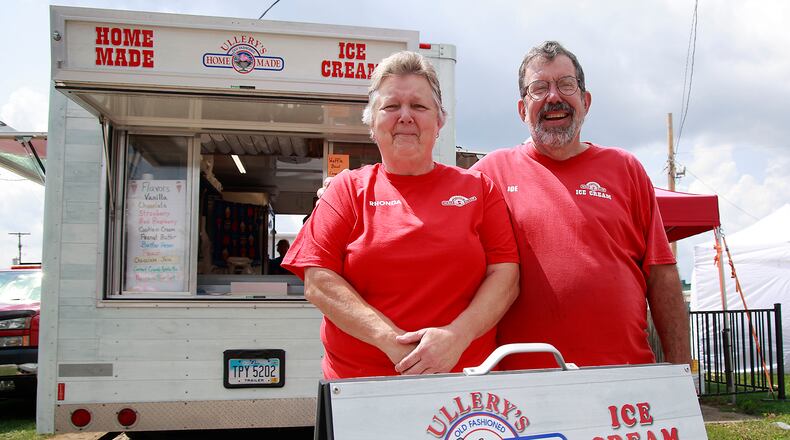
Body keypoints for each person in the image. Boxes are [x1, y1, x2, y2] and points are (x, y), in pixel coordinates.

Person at [282, 51, 519, 379]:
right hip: (361, 388)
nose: (405, 116)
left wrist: (456, 337)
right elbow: (318, 281)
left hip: (464, 389)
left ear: (439, 121)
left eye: (419, 106)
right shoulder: (347, 190)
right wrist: (394, 343)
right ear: (372, 123)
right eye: (391, 107)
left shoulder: (479, 189)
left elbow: (506, 276)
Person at [472, 41, 691, 369]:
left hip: (623, 381)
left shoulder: (625, 168)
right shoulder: (489, 174)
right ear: (522, 110)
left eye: (566, 85)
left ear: (585, 102)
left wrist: (681, 373)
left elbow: (662, 274)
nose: (554, 97)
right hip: (522, 390)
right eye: (539, 88)